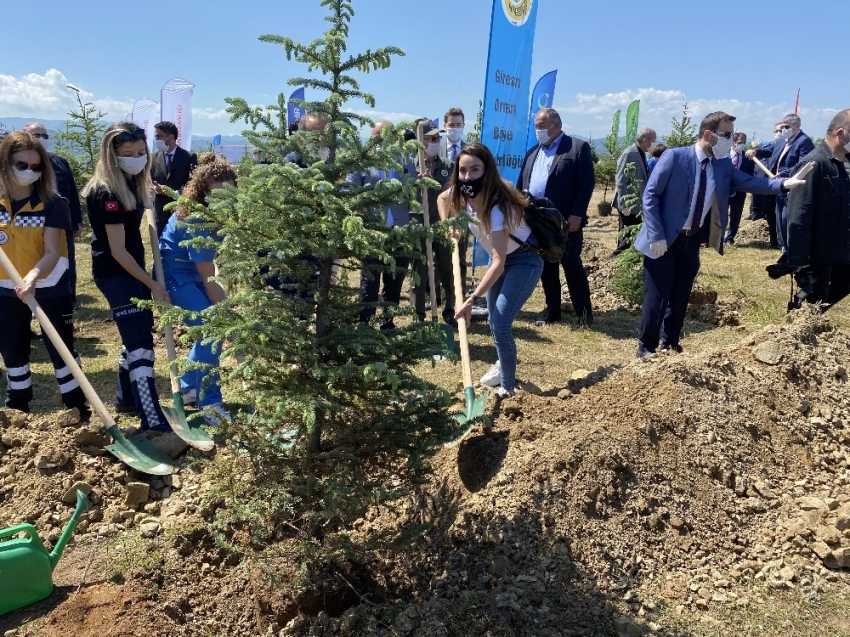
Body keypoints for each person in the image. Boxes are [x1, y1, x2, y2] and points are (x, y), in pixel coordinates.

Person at [634, 111, 812, 358]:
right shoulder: (675, 157)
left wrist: (783, 184)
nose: (731, 140)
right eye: (726, 135)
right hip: (663, 240)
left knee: (681, 295)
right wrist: (656, 235)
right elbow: (650, 195)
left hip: (691, 240)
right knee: (657, 297)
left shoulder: (721, 164)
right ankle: (646, 348)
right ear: (708, 134)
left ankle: (671, 344)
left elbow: (750, 182)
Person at [81, 122, 171, 432]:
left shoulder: (130, 181)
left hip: (133, 268)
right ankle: (151, 415)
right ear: (112, 155)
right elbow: (118, 251)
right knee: (141, 342)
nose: (137, 158)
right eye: (127, 154)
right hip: (116, 272)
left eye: (141, 152)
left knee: (137, 330)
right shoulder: (107, 193)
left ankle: (127, 398)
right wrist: (152, 284)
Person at [438, 143, 543, 398]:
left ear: (487, 170)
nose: (468, 177)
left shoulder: (498, 206)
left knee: (500, 321)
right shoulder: (464, 193)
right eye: (463, 170)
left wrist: (471, 300)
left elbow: (498, 262)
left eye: (475, 169)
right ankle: (502, 362)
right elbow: (442, 199)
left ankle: (507, 388)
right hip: (501, 262)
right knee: (497, 325)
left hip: (524, 261)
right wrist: (448, 226)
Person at [0, 132, 88, 420]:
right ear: (5, 163)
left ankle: (75, 406)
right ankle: (18, 405)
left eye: (36, 167)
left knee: (60, 347)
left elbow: (51, 252)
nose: (29, 172)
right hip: (5, 286)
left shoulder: (52, 204)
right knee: (13, 348)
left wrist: (33, 277)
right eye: (21, 165)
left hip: (49, 285)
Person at [160, 154, 236, 424]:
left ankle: (189, 386)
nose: (223, 199)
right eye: (217, 194)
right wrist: (228, 319)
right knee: (212, 330)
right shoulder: (196, 220)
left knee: (209, 331)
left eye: (229, 193)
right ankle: (211, 404)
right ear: (204, 192)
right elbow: (208, 278)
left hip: (194, 273)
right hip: (176, 278)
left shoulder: (220, 214)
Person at [517, 108, 595, 326]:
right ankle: (553, 310)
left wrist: (577, 214)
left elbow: (586, 184)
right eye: (536, 125)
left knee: (571, 263)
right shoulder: (533, 152)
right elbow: (522, 184)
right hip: (537, 220)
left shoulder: (577, 148)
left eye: (541, 125)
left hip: (566, 221)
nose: (537, 130)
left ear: (556, 125)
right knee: (546, 266)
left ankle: (583, 314)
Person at [347, 121, 416, 330]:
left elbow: (414, 191)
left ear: (395, 138)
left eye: (387, 136)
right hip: (373, 233)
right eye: (377, 137)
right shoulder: (361, 163)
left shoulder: (407, 161)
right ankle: (364, 324)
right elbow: (349, 187)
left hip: (400, 232)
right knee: (369, 281)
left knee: (395, 280)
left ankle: (388, 323)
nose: (382, 141)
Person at [785, 109, 850, 310]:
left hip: (842, 249)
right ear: (840, 134)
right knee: (812, 302)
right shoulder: (814, 164)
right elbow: (799, 214)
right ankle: (791, 334)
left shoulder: (846, 162)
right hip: (819, 253)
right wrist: (798, 259)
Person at [24, 123, 83, 306]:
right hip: (32, 222)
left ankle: (68, 299)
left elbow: (72, 193)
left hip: (61, 221)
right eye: (35, 134)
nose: (41, 139)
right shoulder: (21, 166)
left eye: (44, 135)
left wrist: (77, 220)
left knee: (66, 261)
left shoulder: (60, 162)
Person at [411, 120, 456, 325]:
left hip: (442, 225)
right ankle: (418, 316)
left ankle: (449, 312)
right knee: (419, 271)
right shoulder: (410, 166)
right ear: (421, 141)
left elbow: (455, 197)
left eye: (438, 138)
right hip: (418, 224)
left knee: (447, 270)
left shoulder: (448, 166)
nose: (437, 142)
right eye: (432, 139)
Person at [611, 127, 656, 256]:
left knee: (629, 235)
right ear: (645, 140)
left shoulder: (642, 154)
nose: (654, 143)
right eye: (653, 140)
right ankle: (615, 259)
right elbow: (621, 180)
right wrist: (625, 205)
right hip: (629, 203)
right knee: (627, 237)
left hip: (637, 203)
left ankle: (622, 261)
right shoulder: (629, 153)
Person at [151, 121, 198, 236]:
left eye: (159, 136)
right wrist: (153, 188)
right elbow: (148, 181)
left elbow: (193, 185)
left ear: (171, 137)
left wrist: (172, 193)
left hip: (181, 212)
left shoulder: (189, 157)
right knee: (160, 248)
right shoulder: (152, 158)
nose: (156, 140)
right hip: (159, 213)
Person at [723, 132, 755, 245]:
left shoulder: (748, 159)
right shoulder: (724, 155)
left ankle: (729, 239)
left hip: (740, 191)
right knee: (722, 216)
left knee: (736, 216)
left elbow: (750, 174)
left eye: (744, 143)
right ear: (733, 143)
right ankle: (719, 237)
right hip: (724, 191)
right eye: (740, 142)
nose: (742, 145)